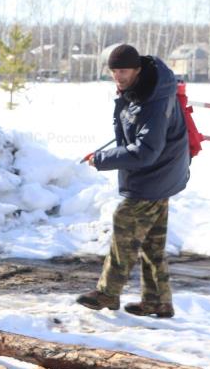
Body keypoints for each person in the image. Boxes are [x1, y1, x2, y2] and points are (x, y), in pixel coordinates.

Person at [76, 44, 190, 318]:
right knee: (152, 241)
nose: (118, 77)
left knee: (125, 223)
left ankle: (108, 293)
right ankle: (158, 301)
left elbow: (145, 151)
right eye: (114, 71)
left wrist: (102, 159)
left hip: (155, 175)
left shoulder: (154, 100)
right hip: (162, 173)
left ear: (138, 70)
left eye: (123, 71)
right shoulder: (143, 90)